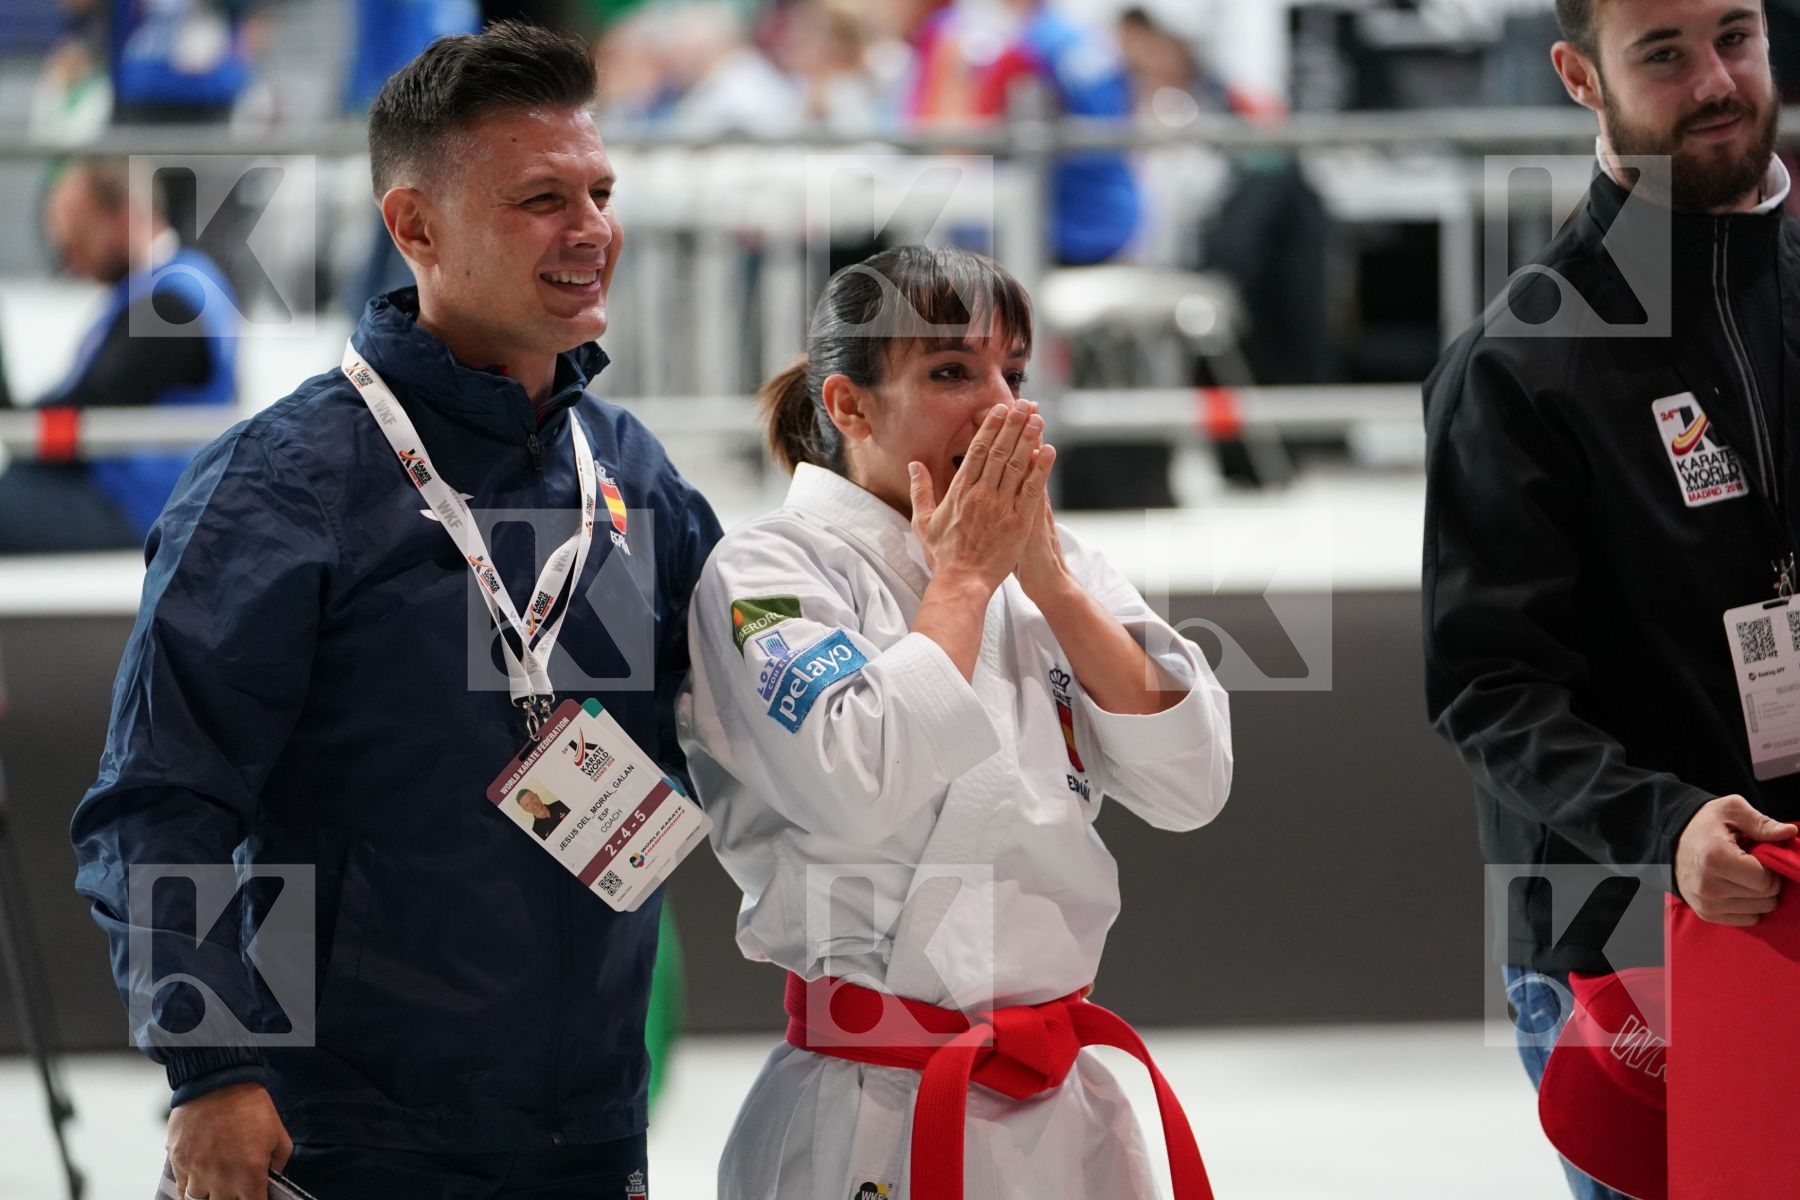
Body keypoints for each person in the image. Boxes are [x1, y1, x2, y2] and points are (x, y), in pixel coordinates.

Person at [71, 22, 720, 1200]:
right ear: (414, 227)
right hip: (345, 1143)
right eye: (541, 199)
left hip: (591, 1136)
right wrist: (213, 1069)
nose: (591, 230)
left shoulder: (626, 473)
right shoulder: (281, 485)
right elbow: (160, 804)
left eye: (600, 191)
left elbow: (750, 723)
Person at [677, 244, 1232, 1199]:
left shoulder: (1058, 569)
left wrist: (1048, 584)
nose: (1000, 403)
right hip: (869, 1105)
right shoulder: (766, 575)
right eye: (950, 372)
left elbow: (1192, 790)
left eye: (1009, 371)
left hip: (1062, 1103)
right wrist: (967, 578)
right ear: (848, 405)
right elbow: (857, 783)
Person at [1423, 2, 1799, 1196]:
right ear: (1580, 75)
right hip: (1633, 932)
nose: (1717, 80)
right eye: (1665, 54)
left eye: (1735, 36)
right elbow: (1487, 687)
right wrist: (1667, 829)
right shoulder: (1522, 359)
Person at [0, 158, 237, 554]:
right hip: (126, 494)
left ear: (125, 217)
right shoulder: (160, 289)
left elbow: (84, 408)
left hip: (145, 508)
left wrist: (19, 419)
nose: (69, 256)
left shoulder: (170, 306)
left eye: (79, 233)